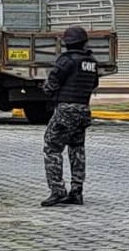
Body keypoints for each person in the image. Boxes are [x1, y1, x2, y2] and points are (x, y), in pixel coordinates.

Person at [41, 24, 100, 207]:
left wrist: (47, 91)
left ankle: (57, 190)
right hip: (83, 109)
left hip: (66, 110)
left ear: (67, 42)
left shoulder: (66, 60)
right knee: (77, 149)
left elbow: (51, 85)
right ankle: (77, 191)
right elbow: (94, 84)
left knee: (52, 147)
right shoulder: (91, 61)